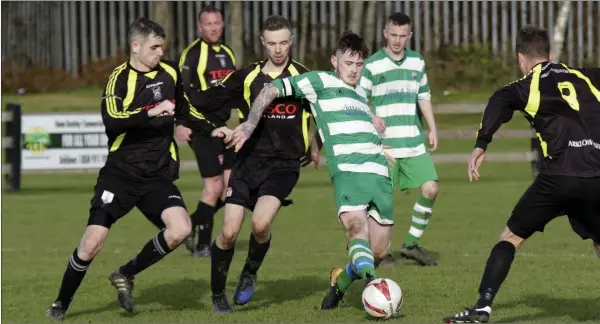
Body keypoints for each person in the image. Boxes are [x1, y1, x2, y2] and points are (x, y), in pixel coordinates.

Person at [44, 17, 211, 321]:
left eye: (163, 46)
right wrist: (151, 111)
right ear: (136, 46)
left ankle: (126, 273)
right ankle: (61, 304)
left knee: (181, 229)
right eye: (154, 47)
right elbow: (112, 121)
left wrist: (214, 130)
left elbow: (186, 109)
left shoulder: (171, 71)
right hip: (120, 174)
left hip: (156, 175)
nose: (160, 52)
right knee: (92, 242)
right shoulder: (119, 79)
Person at [228, 31, 396, 311]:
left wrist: (316, 143)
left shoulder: (360, 95)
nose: (353, 70)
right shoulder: (319, 80)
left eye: (358, 65)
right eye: (348, 63)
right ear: (334, 61)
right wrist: (249, 123)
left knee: (379, 251)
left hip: (379, 175)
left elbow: (336, 123)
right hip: (349, 174)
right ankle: (373, 287)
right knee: (356, 230)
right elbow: (271, 89)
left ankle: (340, 285)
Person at [443, 25, 600, 323]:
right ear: (551, 54)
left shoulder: (526, 85)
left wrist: (481, 144)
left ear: (520, 58)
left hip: (559, 176)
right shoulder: (584, 75)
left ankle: (482, 307)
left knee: (511, 236)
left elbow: (499, 100)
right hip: (596, 173)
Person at [184, 15, 314, 313]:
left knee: (260, 224)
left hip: (283, 166)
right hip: (247, 162)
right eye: (272, 43)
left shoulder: (304, 77)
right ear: (262, 43)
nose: (278, 50)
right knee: (229, 232)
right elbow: (205, 99)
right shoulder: (246, 76)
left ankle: (249, 272)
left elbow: (324, 111)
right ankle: (219, 296)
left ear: (291, 41)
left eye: (283, 42)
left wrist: (315, 144)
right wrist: (177, 102)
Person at [360, 12, 439, 266]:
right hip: (386, 146)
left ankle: (412, 244)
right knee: (383, 200)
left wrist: (432, 127)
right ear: (385, 34)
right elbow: (359, 98)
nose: (397, 40)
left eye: (402, 36)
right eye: (393, 34)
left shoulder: (417, 62)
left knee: (431, 188)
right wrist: (371, 116)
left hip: (413, 142)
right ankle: (381, 253)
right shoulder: (372, 65)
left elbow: (423, 96)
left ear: (410, 36)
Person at [176, 5, 237, 257]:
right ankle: (202, 245)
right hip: (201, 127)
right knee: (213, 188)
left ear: (222, 25)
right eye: (208, 24)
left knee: (231, 187)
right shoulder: (192, 55)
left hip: (223, 128)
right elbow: (178, 91)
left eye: (217, 23)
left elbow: (234, 89)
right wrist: (180, 122)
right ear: (200, 27)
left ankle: (188, 226)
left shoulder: (228, 53)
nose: (213, 28)